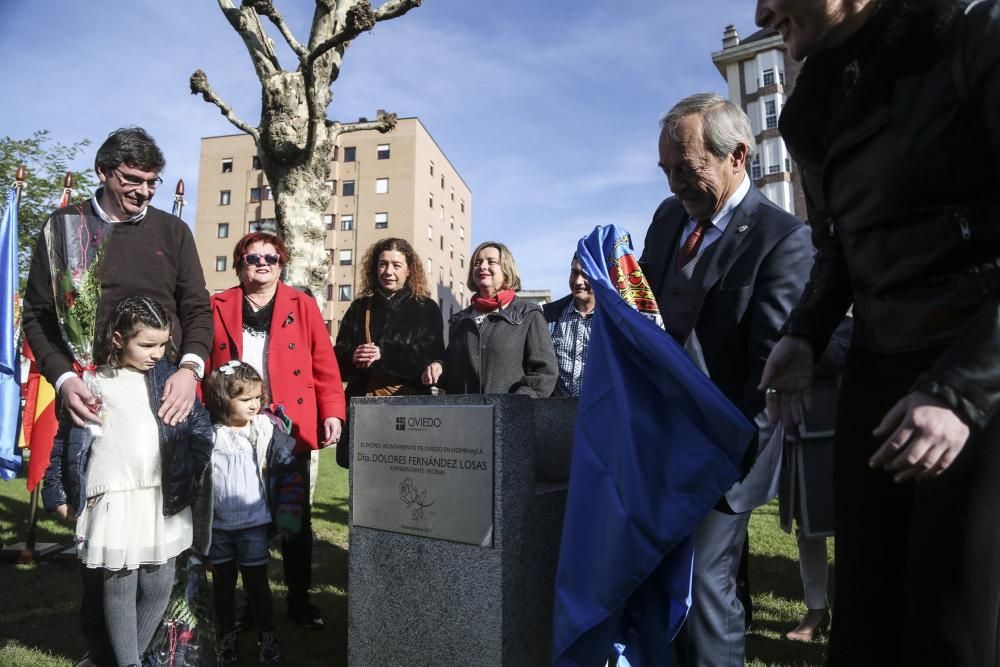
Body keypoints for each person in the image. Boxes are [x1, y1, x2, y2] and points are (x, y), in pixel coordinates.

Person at [755, 0, 1000, 663]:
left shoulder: (971, 32)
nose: (761, 9)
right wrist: (804, 334)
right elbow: (836, 248)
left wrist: (959, 392)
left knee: (956, 623)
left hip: (978, 373)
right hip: (879, 374)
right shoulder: (810, 110)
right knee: (867, 615)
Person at [22, 127, 213, 667]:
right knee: (105, 549)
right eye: (133, 180)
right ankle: (106, 651)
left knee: (159, 540)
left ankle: (120, 658)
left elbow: (197, 309)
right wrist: (63, 378)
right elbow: (37, 316)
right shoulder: (64, 229)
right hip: (90, 390)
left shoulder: (172, 232)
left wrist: (189, 370)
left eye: (152, 181)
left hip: (163, 390)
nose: (145, 191)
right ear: (104, 172)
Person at [639, 93, 812, 667]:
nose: (673, 188)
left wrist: (729, 462)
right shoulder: (668, 220)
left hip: (728, 453)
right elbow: (648, 314)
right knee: (666, 580)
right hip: (661, 444)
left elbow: (771, 372)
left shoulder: (782, 240)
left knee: (707, 589)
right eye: (665, 173)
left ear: (736, 155)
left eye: (685, 171)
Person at [41, 296, 213, 667]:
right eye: (146, 344)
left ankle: (124, 660)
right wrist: (54, 489)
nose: (157, 352)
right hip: (113, 499)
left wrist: (189, 472)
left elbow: (200, 430)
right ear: (118, 339)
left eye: (164, 344)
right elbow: (65, 441)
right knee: (118, 589)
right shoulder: (92, 381)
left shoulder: (170, 378)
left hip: (159, 499)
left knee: (158, 585)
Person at [205, 231, 346, 631]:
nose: (262, 263)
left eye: (270, 256)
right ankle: (253, 604)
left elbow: (324, 363)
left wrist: (332, 410)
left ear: (281, 262)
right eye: (252, 258)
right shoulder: (217, 305)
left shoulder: (302, 304)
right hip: (233, 425)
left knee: (294, 518)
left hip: (288, 426)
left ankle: (300, 601)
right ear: (239, 265)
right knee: (244, 517)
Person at [203, 361, 304, 664]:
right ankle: (226, 637)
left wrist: (287, 519)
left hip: (254, 525)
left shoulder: (266, 432)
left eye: (257, 398)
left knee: (257, 584)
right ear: (223, 399)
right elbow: (192, 483)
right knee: (222, 587)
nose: (254, 405)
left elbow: (289, 476)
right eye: (245, 399)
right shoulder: (207, 435)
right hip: (218, 527)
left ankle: (267, 634)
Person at [334, 238, 445, 466]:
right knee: (363, 482)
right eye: (383, 264)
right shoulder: (359, 307)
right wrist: (352, 356)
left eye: (396, 265)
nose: (388, 271)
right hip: (363, 410)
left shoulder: (426, 308)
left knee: (407, 481)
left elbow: (430, 357)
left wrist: (384, 354)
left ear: (409, 270)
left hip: (408, 411)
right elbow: (336, 359)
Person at [422, 241, 558, 397]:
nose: (482, 266)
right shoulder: (460, 320)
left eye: (491, 262)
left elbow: (545, 374)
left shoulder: (529, 314)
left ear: (507, 270)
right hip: (464, 416)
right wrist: (439, 365)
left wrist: (517, 403)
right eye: (477, 263)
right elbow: (452, 368)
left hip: (509, 416)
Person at [543, 256, 596, 397]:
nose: (578, 281)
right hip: (556, 415)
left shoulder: (614, 319)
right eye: (574, 273)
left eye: (585, 275)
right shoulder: (549, 316)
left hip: (601, 414)